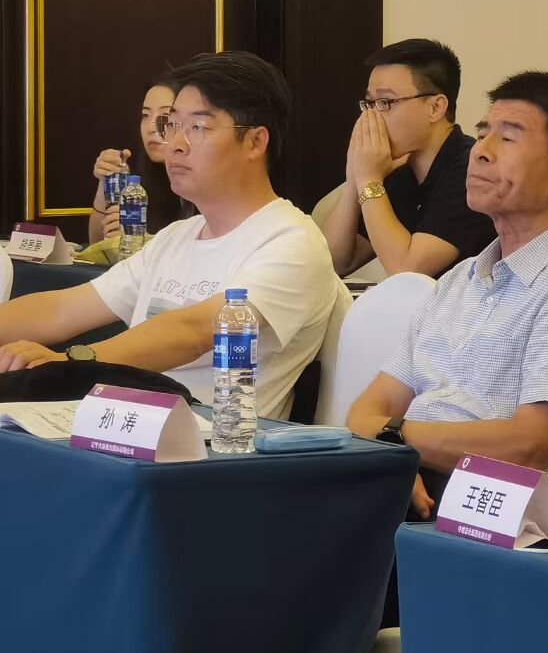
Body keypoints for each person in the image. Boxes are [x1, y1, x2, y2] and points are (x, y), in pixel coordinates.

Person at [346, 71, 548, 515]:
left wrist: (396, 441)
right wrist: (394, 456)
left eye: (507, 138)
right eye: (483, 132)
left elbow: (525, 447)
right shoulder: (458, 280)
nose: (480, 151)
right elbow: (365, 411)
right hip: (412, 482)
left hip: (495, 511)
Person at [0, 52, 336, 419]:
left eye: (198, 127)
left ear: (255, 142)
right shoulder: (176, 236)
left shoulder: (291, 240)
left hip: (215, 440)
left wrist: (74, 362)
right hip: (125, 425)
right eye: (172, 125)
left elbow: (194, 331)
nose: (176, 143)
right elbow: (63, 310)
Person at [321, 38, 496, 278]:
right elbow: (333, 263)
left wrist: (369, 179)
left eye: (385, 102)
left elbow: (406, 270)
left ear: (436, 108)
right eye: (369, 103)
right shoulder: (397, 171)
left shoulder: (472, 170)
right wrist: (355, 177)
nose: (372, 117)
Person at [88, 76, 190, 244]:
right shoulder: (139, 185)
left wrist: (142, 242)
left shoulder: (204, 184)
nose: (151, 128)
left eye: (165, 116)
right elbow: (98, 245)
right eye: (145, 115)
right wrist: (105, 183)